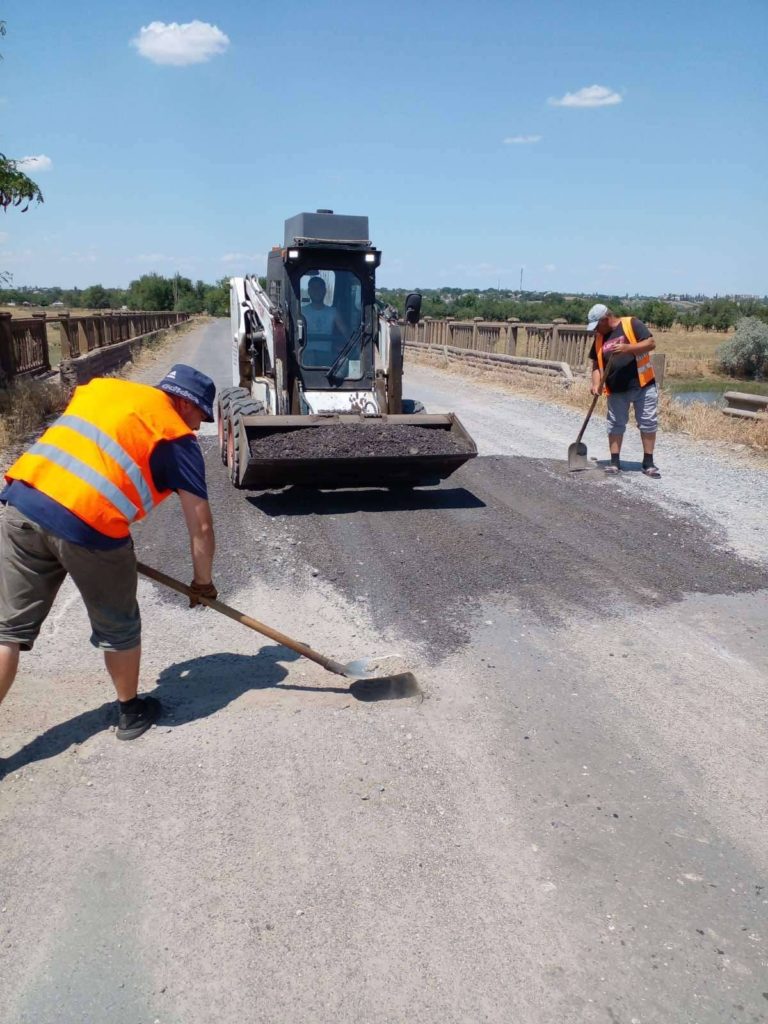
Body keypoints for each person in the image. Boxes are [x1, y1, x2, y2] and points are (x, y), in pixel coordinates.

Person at [0, 364, 218, 741]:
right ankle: (130, 712)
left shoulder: (101, 390)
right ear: (185, 403)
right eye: (201, 415)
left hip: (22, 504)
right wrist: (203, 583)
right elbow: (200, 526)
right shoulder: (176, 436)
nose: (199, 426)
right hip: (88, 527)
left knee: (7, 632)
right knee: (118, 625)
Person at [586, 303, 661, 478]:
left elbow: (651, 343)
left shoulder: (631, 324)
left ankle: (648, 463)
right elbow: (596, 363)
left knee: (648, 421)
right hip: (615, 387)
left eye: (597, 325)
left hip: (643, 383)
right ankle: (614, 462)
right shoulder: (599, 337)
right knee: (615, 423)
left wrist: (627, 348)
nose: (596, 330)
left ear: (606, 319)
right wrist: (596, 383)